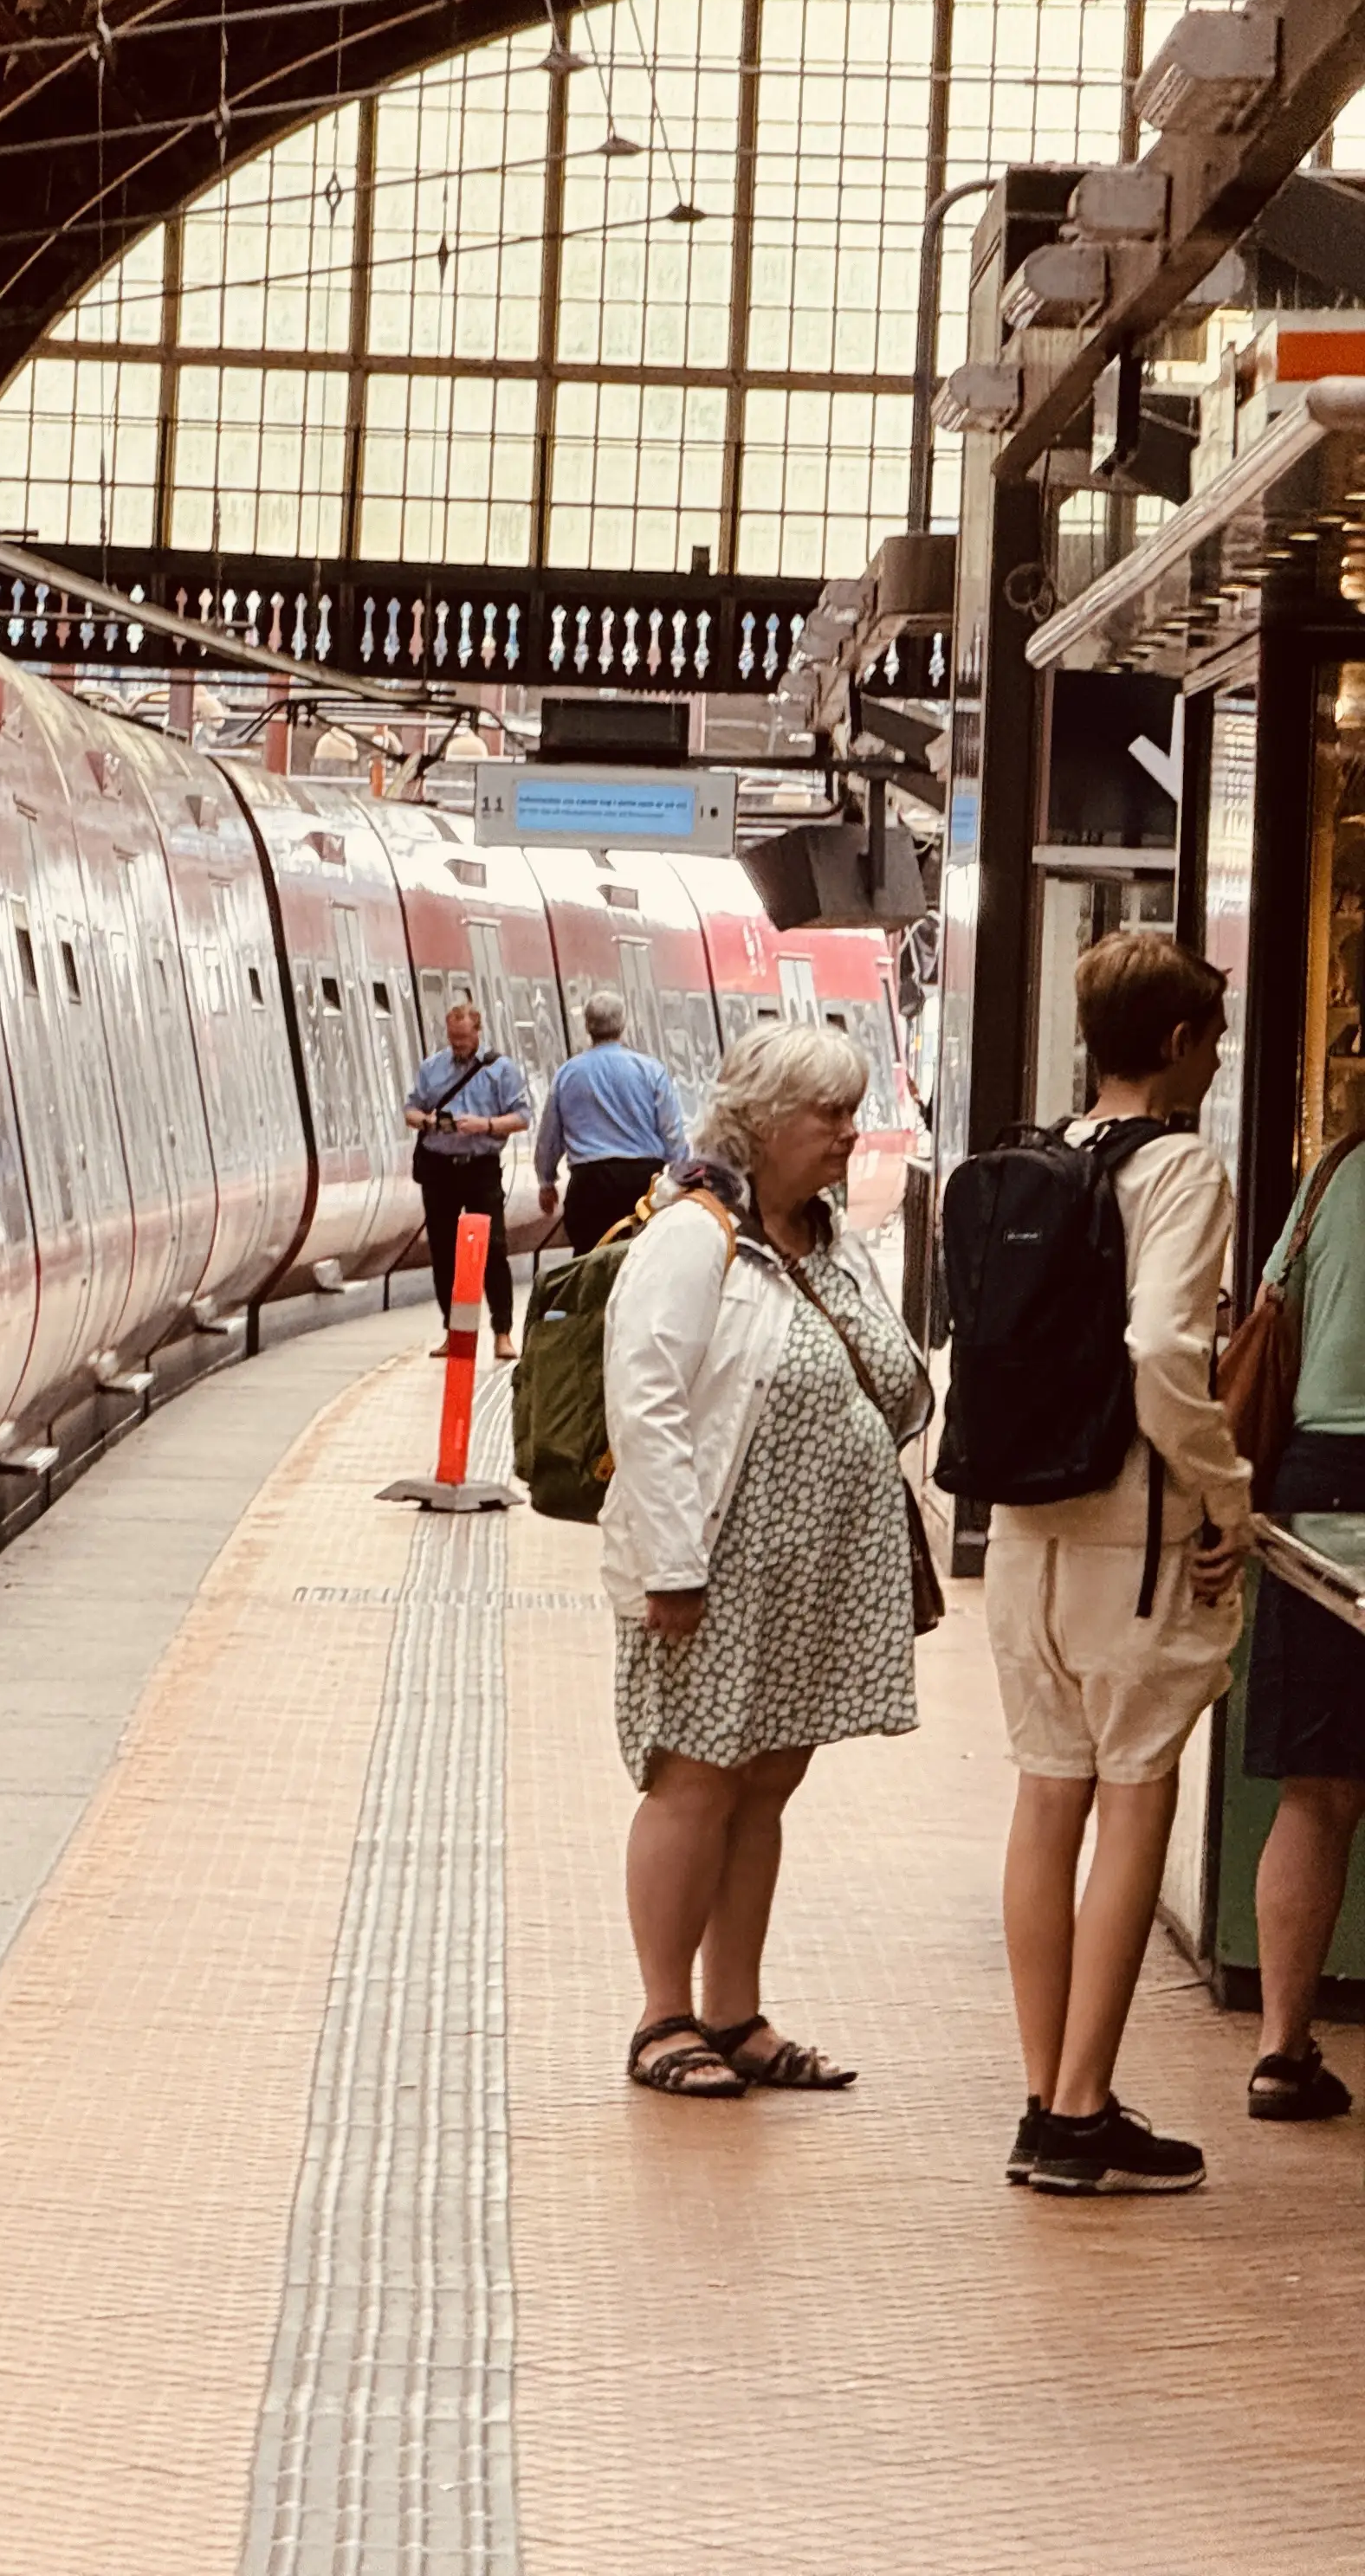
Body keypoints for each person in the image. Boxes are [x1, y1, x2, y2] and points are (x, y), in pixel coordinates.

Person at [605, 1020, 928, 2099]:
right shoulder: (695, 1234)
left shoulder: (826, 1238)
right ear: (761, 1123)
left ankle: (733, 2008)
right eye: (827, 1116)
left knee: (767, 1781)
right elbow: (645, 1399)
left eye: (851, 1111)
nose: (848, 1134)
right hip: (713, 1563)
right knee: (695, 1780)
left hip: (809, 1566)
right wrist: (670, 1562)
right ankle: (663, 2016)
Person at [988, 933, 1249, 2196]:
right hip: (1134, 1528)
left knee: (1048, 1799)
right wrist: (1226, 1494)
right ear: (1180, 1045)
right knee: (1135, 1793)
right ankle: (1084, 2110)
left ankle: (1049, 2093)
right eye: (1213, 1038)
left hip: (1029, 1524)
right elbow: (1162, 1352)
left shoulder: (1044, 1154)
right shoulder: (1182, 1167)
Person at [1242, 1108, 1365, 2128]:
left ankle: (1281, 2051)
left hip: (1321, 1488)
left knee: (1316, 1791)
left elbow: (1272, 1306)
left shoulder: (1333, 1170)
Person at [406, 998, 534, 1359]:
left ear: (478, 1032)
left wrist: (486, 1125)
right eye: (453, 1038)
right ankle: (455, 1333)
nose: (458, 1044)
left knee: (493, 1250)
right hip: (439, 1168)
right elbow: (410, 1109)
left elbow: (522, 1116)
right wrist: (427, 1121)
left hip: (480, 1167)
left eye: (464, 1038)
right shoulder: (432, 1068)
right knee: (444, 1253)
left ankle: (503, 1332)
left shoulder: (500, 1070)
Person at [535, 989, 690, 1254]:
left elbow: (550, 1135)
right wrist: (684, 1177)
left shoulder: (567, 1075)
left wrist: (546, 1181)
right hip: (643, 1183)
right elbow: (672, 1132)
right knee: (646, 1259)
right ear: (623, 1023)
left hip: (589, 1185)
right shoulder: (650, 1070)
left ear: (587, 1026)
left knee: (590, 1263)